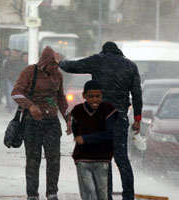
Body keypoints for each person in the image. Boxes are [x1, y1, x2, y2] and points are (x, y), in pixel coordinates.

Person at [55, 41, 142, 200]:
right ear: (119, 52)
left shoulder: (97, 60)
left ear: (104, 51)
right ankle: (128, 196)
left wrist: (59, 62)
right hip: (120, 117)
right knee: (122, 158)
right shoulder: (130, 66)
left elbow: (74, 66)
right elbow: (137, 94)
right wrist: (137, 119)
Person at [11, 46, 72, 200]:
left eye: (57, 65)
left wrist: (68, 119)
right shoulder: (29, 72)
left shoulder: (58, 76)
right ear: (44, 62)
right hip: (32, 122)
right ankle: (32, 194)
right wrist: (30, 106)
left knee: (54, 159)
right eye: (52, 65)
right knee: (33, 159)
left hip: (51, 122)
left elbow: (61, 98)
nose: (55, 68)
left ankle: (52, 193)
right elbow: (16, 93)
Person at [71, 80, 116, 200]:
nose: (95, 100)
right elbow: (76, 131)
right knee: (88, 191)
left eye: (98, 96)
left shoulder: (108, 109)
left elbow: (109, 133)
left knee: (102, 193)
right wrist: (80, 138)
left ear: (102, 95)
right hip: (83, 157)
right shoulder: (78, 111)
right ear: (84, 96)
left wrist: (86, 139)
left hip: (102, 157)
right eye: (91, 96)